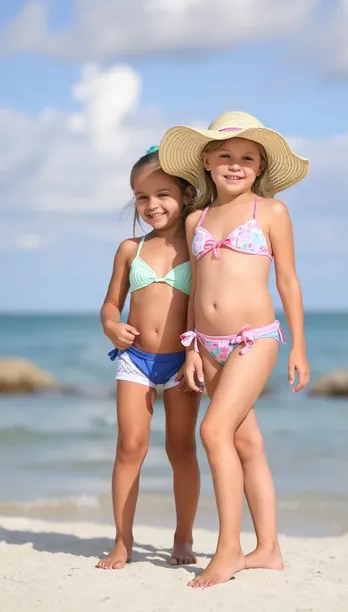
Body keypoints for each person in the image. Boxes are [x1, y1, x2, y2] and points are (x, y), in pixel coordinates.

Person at [159, 112, 311, 588]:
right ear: (206, 161)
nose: (235, 164)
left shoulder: (270, 212)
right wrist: (191, 348)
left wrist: (298, 347)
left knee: (213, 430)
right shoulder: (195, 220)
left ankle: (228, 549)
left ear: (260, 166)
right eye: (225, 155)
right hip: (208, 345)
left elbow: (287, 280)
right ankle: (268, 550)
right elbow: (195, 288)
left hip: (254, 339)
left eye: (247, 158)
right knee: (246, 443)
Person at [97, 146, 200, 570]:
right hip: (134, 358)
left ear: (187, 194)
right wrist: (110, 326)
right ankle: (123, 541)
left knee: (181, 449)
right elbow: (110, 305)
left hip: (181, 361)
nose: (152, 205)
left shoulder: (197, 245)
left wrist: (197, 351)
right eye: (142, 196)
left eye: (162, 194)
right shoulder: (129, 249)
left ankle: (183, 537)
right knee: (130, 447)